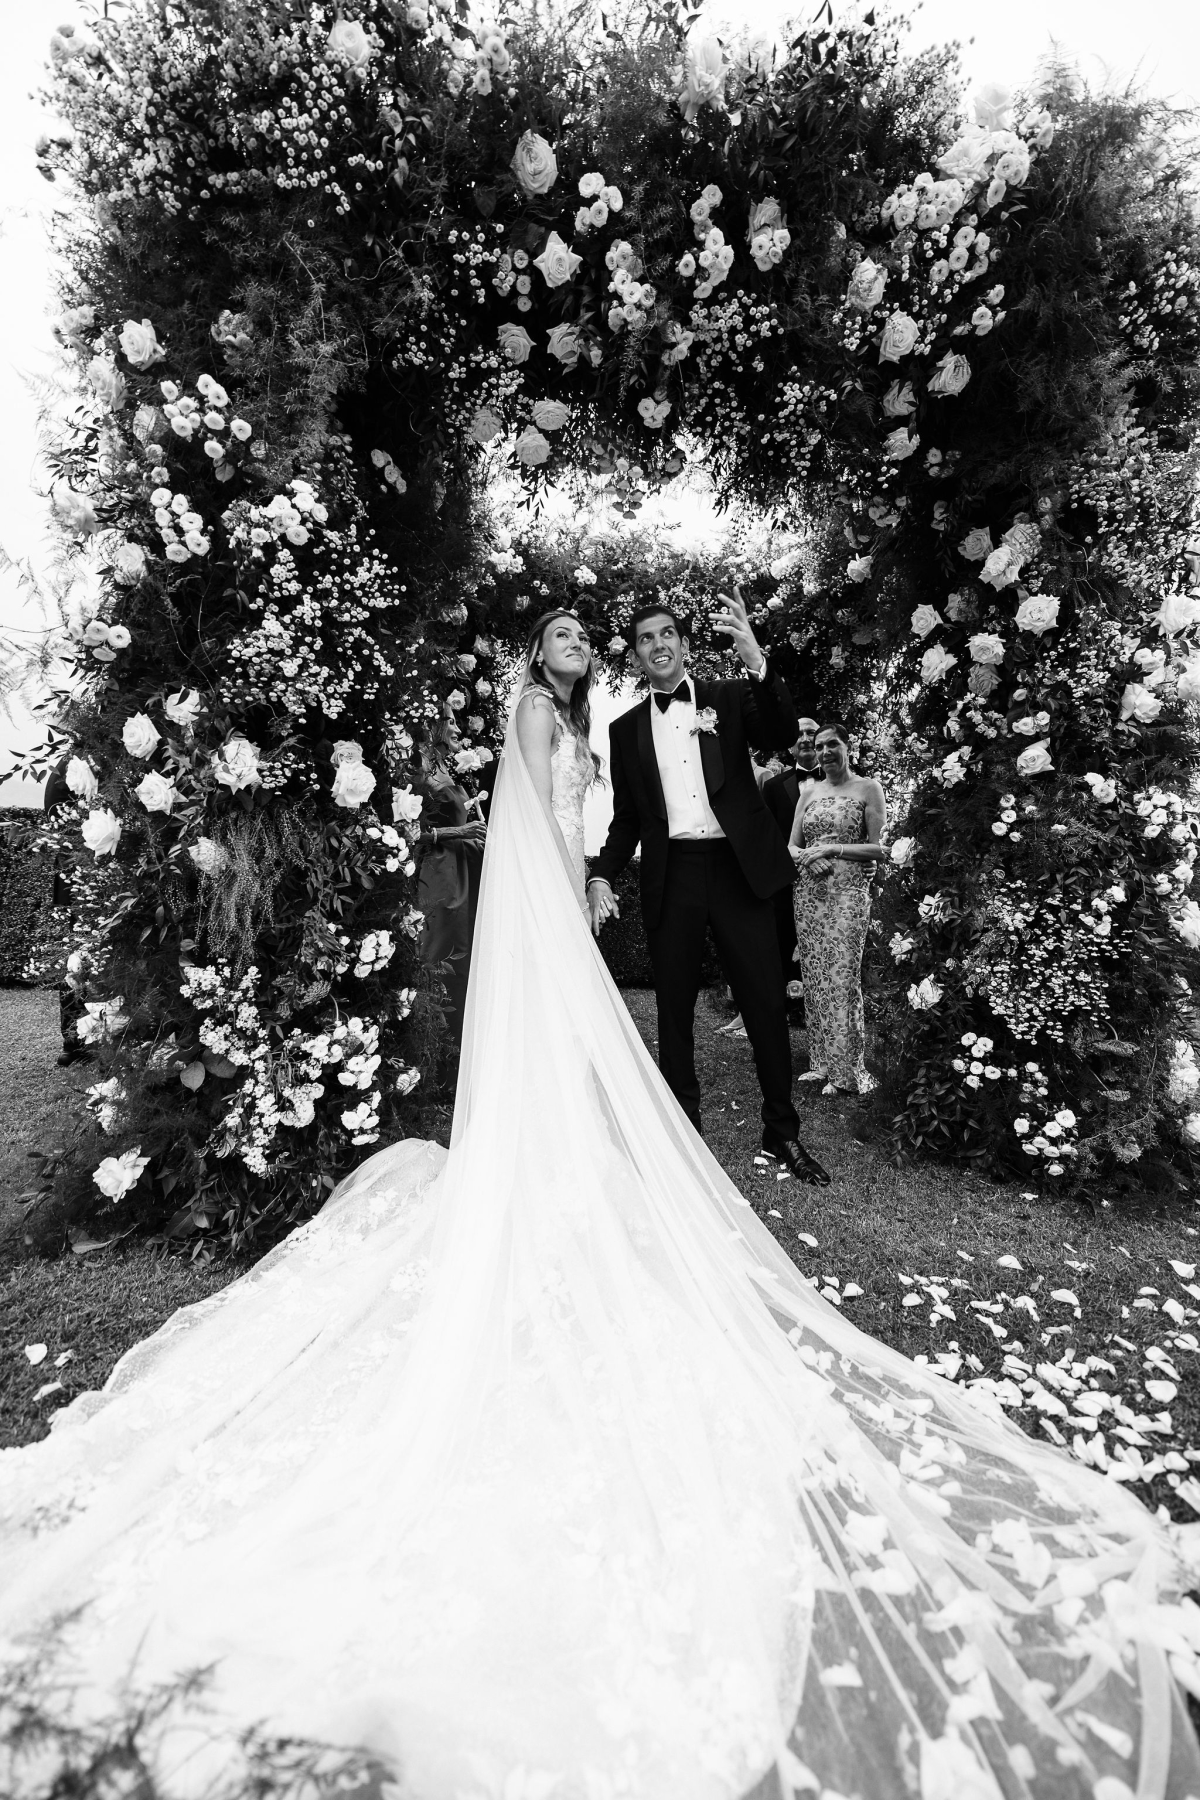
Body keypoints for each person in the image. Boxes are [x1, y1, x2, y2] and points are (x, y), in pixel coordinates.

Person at [3, 640, 1200, 1800]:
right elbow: (534, 821)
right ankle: (556, 1168)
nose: (585, 644)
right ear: (547, 652)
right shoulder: (555, 715)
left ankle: (721, 1131)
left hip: (640, 890)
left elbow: (685, 759)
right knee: (596, 1044)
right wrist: (575, 894)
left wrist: (627, 827)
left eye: (594, 634)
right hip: (555, 907)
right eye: (569, 632)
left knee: (635, 1046)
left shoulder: (617, 714)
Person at [586, 593, 829, 1186]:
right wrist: (599, 874)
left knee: (765, 1001)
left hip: (738, 868)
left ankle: (783, 1133)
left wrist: (756, 659)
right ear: (636, 657)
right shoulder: (624, 729)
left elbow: (780, 731)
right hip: (672, 874)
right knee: (674, 1009)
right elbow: (627, 818)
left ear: (685, 645)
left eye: (667, 633)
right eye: (646, 639)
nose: (658, 644)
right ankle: (683, 1132)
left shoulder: (726, 696)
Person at [789, 724, 887, 1095]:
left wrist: (834, 849)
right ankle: (821, 1064)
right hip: (808, 894)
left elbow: (880, 848)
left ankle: (848, 1072)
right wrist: (807, 858)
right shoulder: (809, 792)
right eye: (819, 746)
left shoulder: (868, 788)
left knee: (842, 978)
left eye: (833, 744)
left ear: (848, 746)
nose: (825, 751)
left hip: (849, 893)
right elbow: (791, 846)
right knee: (815, 976)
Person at [413, 717, 487, 1049]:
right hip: (439, 877)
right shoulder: (419, 767)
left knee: (466, 959)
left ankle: (465, 1047)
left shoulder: (446, 767)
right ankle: (436, 1046)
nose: (459, 730)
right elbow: (406, 830)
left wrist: (472, 834)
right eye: (451, 722)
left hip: (463, 871)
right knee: (441, 956)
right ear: (434, 725)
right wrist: (459, 831)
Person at [762, 719, 824, 1012]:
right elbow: (769, 837)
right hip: (788, 883)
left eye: (811, 732)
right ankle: (785, 1010)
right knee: (783, 946)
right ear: (789, 747)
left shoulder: (842, 781)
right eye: (798, 734)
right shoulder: (774, 787)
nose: (805, 738)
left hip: (831, 883)